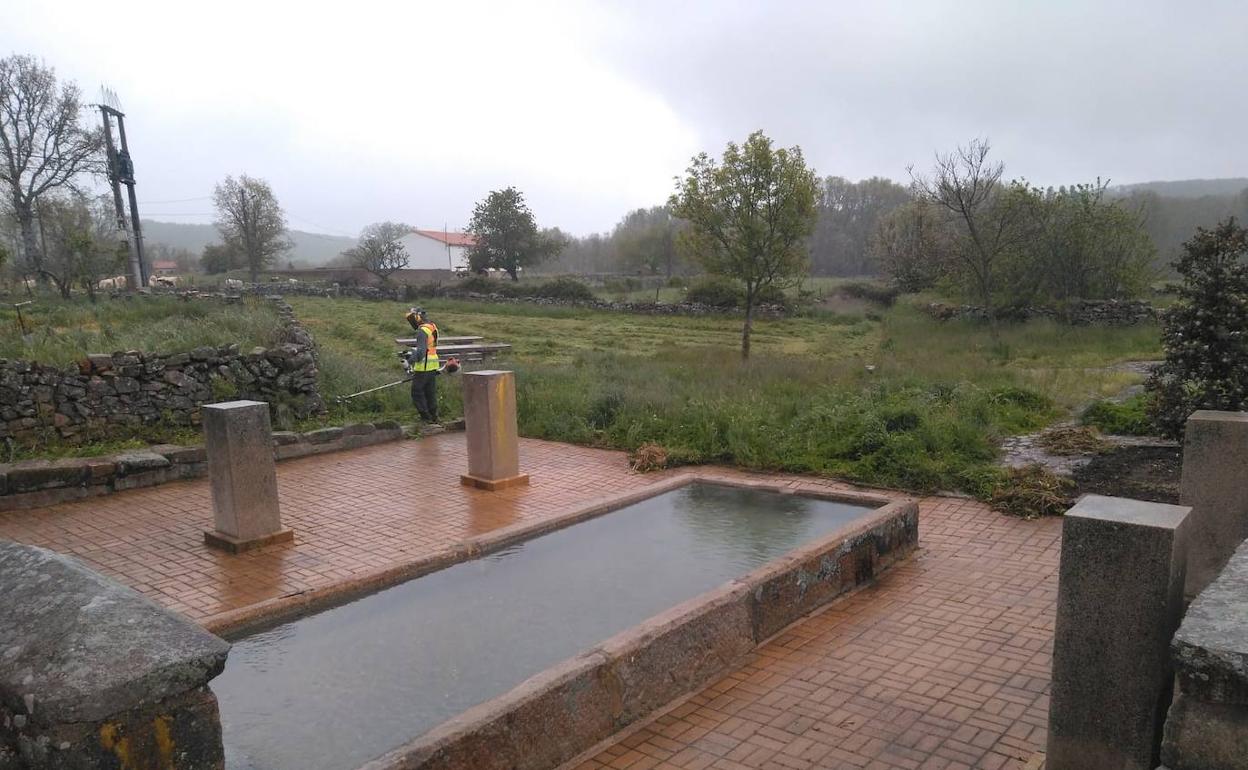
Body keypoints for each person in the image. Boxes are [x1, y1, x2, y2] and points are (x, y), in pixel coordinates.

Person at [404, 307, 440, 423]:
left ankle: (425, 418)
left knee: (417, 392)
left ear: (418, 317)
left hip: (423, 366)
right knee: (430, 392)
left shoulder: (422, 330)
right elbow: (428, 347)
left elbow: (421, 352)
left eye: (412, 319)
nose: (412, 322)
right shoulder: (432, 326)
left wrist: (409, 361)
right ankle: (434, 416)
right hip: (433, 365)